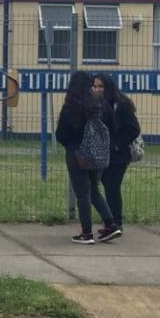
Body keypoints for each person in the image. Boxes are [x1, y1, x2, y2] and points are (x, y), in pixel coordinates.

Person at [56, 70, 121, 244]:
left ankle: (86, 233)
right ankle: (111, 224)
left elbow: (61, 133)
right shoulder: (100, 104)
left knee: (82, 192)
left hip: (77, 152)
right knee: (94, 189)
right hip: (97, 153)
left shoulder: (71, 105)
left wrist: (71, 145)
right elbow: (112, 126)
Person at [93, 73, 140, 239]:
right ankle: (110, 222)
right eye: (95, 86)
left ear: (109, 87)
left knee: (112, 187)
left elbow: (134, 129)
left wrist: (117, 144)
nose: (97, 89)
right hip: (105, 154)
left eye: (101, 86)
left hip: (119, 155)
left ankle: (116, 223)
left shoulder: (121, 104)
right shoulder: (98, 104)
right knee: (107, 185)